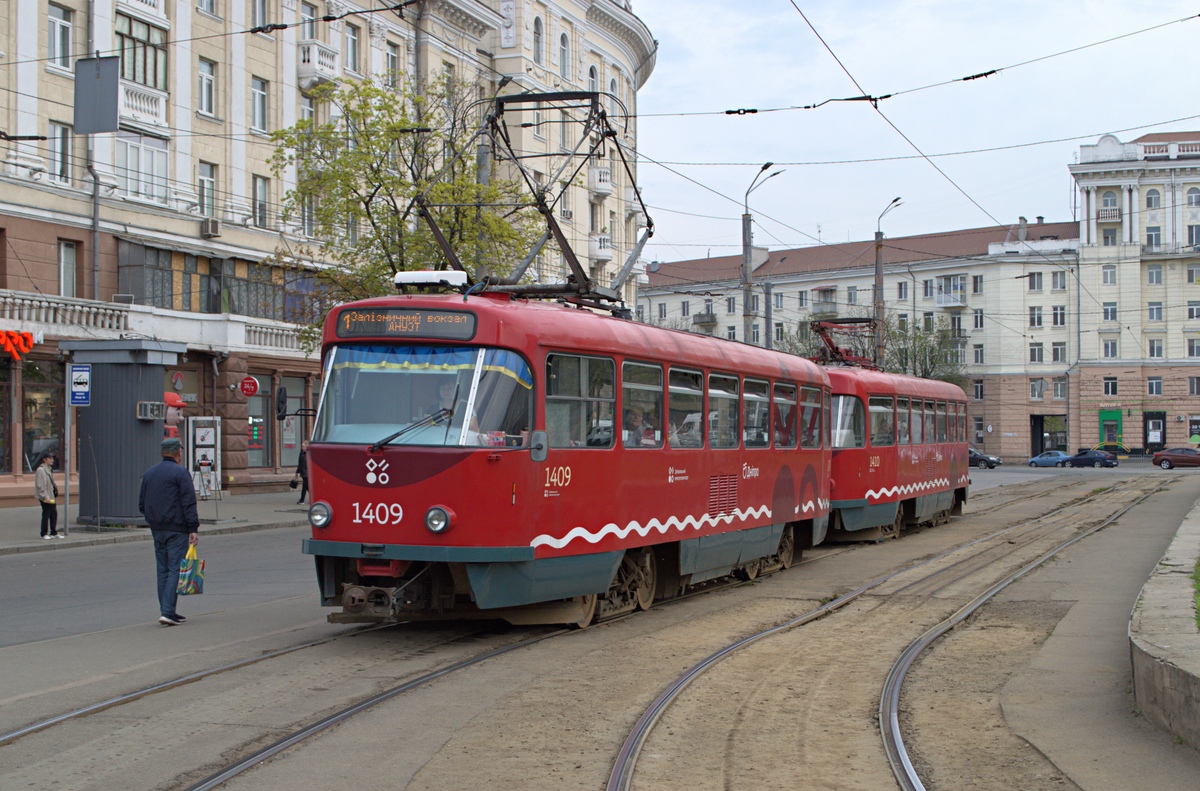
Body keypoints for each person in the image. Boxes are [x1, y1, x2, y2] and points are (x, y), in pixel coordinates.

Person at [139, 437, 200, 627]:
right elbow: (188, 502)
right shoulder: (180, 473)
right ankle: (167, 612)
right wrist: (193, 528)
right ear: (178, 452)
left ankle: (168, 610)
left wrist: (153, 518)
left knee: (163, 570)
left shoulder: (149, 473)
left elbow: (142, 504)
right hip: (177, 529)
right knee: (175, 569)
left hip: (157, 528)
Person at [35, 452, 59, 539]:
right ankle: (44, 533)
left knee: (54, 514)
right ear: (44, 459)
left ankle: (53, 532)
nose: (52, 460)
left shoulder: (49, 468)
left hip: (51, 495)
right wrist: (46, 497)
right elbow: (40, 485)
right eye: (50, 458)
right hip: (45, 496)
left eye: (52, 458)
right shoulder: (41, 470)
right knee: (46, 514)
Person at [294, 440, 309, 504]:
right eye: (302, 446)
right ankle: (315, 498)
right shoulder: (301, 453)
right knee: (307, 487)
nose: (302, 448)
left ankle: (302, 500)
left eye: (303, 446)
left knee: (304, 486)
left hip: (307, 472)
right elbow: (300, 463)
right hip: (303, 472)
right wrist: (297, 471)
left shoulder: (309, 453)